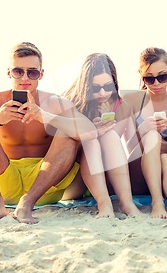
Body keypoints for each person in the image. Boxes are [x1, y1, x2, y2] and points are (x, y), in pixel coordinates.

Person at [0, 42, 96, 225]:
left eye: (32, 72)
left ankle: (26, 203)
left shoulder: (54, 102)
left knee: (68, 132)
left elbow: (90, 131)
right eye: (18, 71)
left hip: (43, 186)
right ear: (9, 72)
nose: (25, 77)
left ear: (41, 75)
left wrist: (46, 116)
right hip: (5, 183)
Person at [62, 53, 142, 217]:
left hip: (110, 179)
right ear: (85, 86)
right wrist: (91, 129)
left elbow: (133, 149)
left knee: (110, 136)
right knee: (92, 139)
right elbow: (63, 150)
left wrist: (147, 131)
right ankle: (104, 205)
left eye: (108, 86)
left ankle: (126, 203)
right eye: (95, 88)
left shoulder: (123, 107)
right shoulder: (71, 103)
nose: (103, 93)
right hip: (78, 180)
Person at [123, 47, 167, 222]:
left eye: (162, 76)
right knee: (152, 137)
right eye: (149, 78)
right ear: (140, 75)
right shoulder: (132, 101)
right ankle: (157, 202)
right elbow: (126, 145)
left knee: (165, 158)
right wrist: (143, 129)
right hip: (139, 171)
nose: (156, 83)